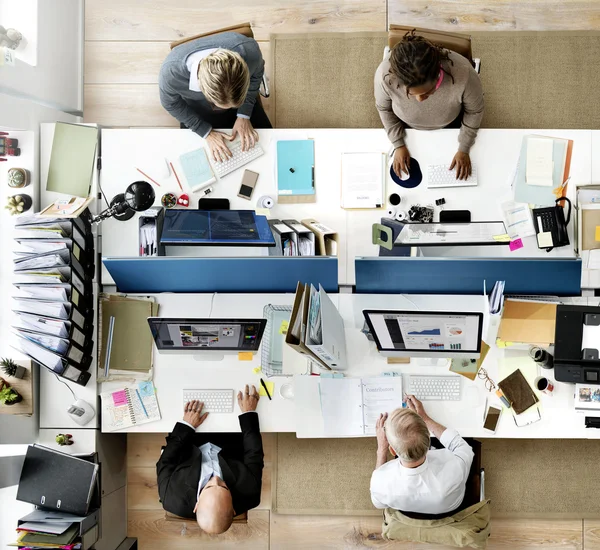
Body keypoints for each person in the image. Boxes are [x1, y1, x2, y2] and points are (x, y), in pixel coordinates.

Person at [374, 31, 484, 180]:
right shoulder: (384, 76)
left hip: (451, 123)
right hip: (404, 126)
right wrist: (398, 144)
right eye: (411, 94)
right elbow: (383, 108)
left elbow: (475, 111)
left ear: (438, 74)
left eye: (428, 92)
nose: (420, 100)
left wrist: (464, 148)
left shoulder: (465, 74)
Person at [156, 384, 263, 534]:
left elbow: (166, 461)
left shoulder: (171, 497)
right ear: (233, 508)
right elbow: (254, 454)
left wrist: (187, 425)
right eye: (224, 486)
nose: (216, 479)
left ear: (196, 505)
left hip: (189, 437)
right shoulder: (250, 494)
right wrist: (248, 413)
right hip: (230, 436)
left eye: (209, 487)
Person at [159, 32, 272, 162]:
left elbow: (257, 75)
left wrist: (243, 114)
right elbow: (170, 104)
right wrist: (205, 132)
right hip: (198, 110)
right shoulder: (171, 73)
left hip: (245, 101)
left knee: (269, 147)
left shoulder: (250, 52)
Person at [370, 395, 474, 515]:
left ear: (392, 451)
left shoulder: (380, 483)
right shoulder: (454, 470)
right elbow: (463, 448)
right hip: (451, 507)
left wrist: (381, 450)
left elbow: (378, 504)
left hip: (411, 514)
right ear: (429, 441)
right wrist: (425, 419)